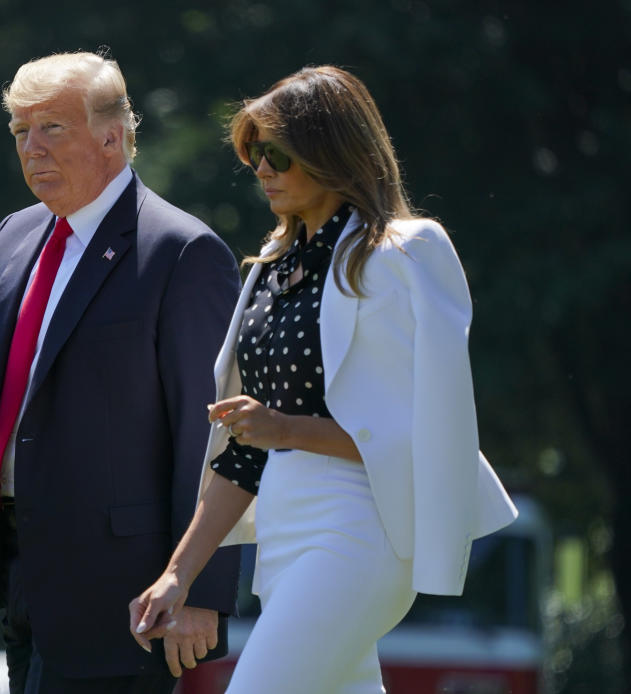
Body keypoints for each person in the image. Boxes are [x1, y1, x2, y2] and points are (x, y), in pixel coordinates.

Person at [0, 51, 242, 694]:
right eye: (19, 132)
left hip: (127, 592)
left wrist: (201, 587)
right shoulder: (16, 234)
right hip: (20, 574)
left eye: (51, 128)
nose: (31, 148)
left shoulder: (182, 252)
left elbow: (215, 436)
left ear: (112, 136)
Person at [128, 65, 519, 693]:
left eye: (277, 154)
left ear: (331, 152)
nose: (261, 170)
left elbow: (428, 433)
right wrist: (179, 573)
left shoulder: (402, 253)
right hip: (282, 538)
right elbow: (241, 457)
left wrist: (284, 428)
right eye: (255, 154)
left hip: (362, 528)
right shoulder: (267, 272)